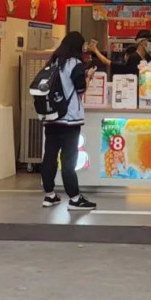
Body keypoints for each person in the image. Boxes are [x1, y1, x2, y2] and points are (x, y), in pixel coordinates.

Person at [41, 31, 97, 211]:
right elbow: (80, 89)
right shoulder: (75, 64)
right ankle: (74, 198)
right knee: (68, 160)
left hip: (51, 117)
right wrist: (89, 77)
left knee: (49, 157)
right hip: (70, 119)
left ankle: (49, 195)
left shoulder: (54, 61)